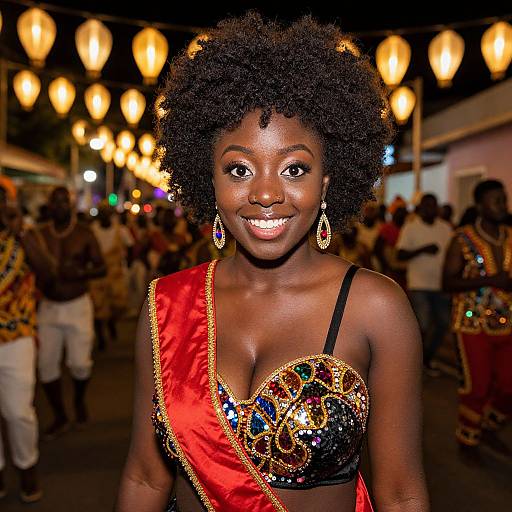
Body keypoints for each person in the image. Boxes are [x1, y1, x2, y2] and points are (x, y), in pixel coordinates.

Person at [116, 12, 428, 512]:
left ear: (326, 181)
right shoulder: (165, 307)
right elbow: (146, 478)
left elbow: (401, 494)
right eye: (238, 168)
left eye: (294, 168)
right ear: (208, 179)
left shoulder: (375, 308)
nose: (265, 193)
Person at [26, 187, 106, 439]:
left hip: (77, 305)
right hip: (48, 307)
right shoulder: (37, 236)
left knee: (80, 364)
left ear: (71, 206)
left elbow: (101, 267)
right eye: (55, 202)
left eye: (64, 202)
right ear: (49, 206)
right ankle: (60, 414)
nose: (59, 206)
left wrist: (80, 273)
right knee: (46, 365)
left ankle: (79, 401)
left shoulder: (83, 234)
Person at [443, 180, 512, 463]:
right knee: (477, 385)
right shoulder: (463, 239)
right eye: (495, 200)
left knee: (508, 385)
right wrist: (490, 280)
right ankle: (468, 438)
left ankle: (488, 426)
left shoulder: (510, 236)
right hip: (471, 324)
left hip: (507, 322)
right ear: (480, 205)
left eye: (503, 200)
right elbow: (447, 281)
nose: (502, 205)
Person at [0, 194, 42, 503]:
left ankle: (27, 465)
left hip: (17, 336)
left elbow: (48, 271)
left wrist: (21, 233)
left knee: (17, 412)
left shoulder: (20, 237)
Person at [396, 193, 453, 375]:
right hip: (419, 284)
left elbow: (452, 255)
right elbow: (401, 254)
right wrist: (423, 249)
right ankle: (416, 364)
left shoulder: (445, 228)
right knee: (423, 325)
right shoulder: (411, 227)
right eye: (427, 205)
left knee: (443, 324)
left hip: (440, 285)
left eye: (433, 205)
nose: (430, 209)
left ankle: (426, 358)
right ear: (421, 207)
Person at [89, 202, 133, 350]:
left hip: (115, 275)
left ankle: (111, 323)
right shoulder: (92, 231)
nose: (105, 216)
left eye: (107, 213)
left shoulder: (120, 231)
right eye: (102, 213)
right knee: (97, 306)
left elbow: (131, 246)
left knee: (117, 305)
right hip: (97, 275)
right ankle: (101, 337)